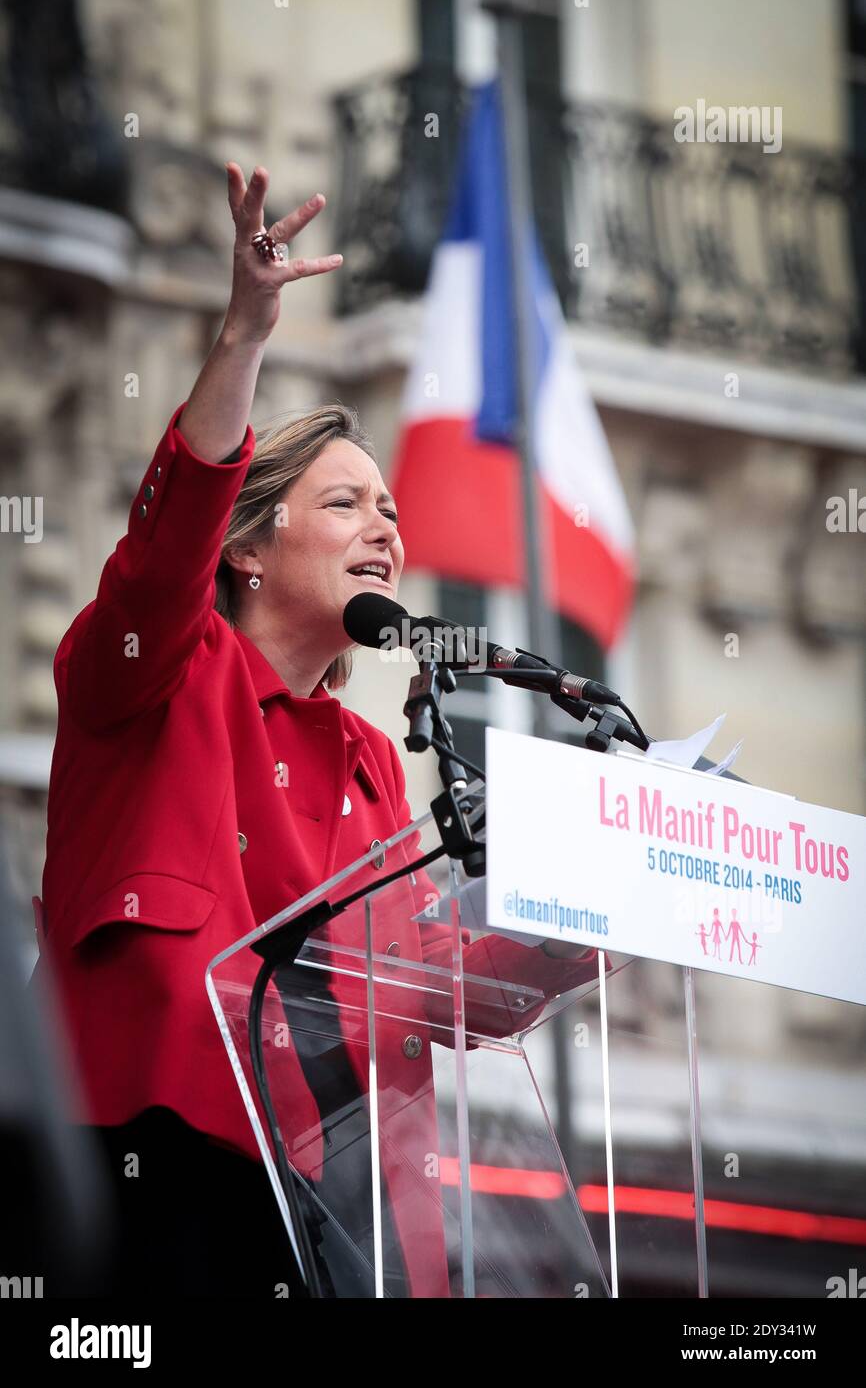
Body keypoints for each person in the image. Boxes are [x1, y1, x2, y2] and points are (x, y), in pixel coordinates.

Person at [34, 163, 602, 1299]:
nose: (383, 525)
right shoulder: (152, 672)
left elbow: (430, 981)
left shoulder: (369, 760)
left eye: (389, 509)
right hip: (155, 1170)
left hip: (339, 1208)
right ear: (245, 547)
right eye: (344, 503)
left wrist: (590, 910)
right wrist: (244, 334)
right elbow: (160, 559)